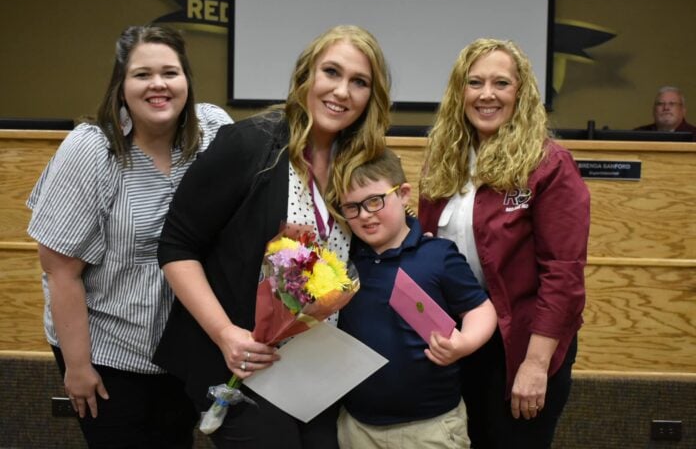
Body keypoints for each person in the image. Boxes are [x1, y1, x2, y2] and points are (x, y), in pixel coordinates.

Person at [151, 25, 392, 449]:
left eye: (359, 82)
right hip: (239, 363)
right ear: (306, 77)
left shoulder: (358, 164)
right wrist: (225, 333)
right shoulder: (249, 144)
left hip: (313, 372)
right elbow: (177, 246)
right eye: (331, 72)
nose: (342, 91)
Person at [26, 25, 232, 448]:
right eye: (142, 75)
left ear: (187, 81)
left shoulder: (213, 130)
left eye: (170, 73)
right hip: (107, 353)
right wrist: (78, 368)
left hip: (181, 350)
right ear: (121, 86)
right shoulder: (91, 151)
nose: (158, 84)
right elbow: (60, 272)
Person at [418, 38, 590, 449]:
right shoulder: (444, 161)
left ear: (520, 92)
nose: (487, 94)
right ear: (460, 92)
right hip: (459, 339)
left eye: (501, 83)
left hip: (522, 343)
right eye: (475, 82)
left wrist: (535, 365)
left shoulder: (548, 165)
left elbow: (563, 275)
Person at [335, 148, 497, 449]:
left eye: (375, 201)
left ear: (404, 194)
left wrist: (464, 343)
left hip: (430, 427)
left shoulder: (437, 255)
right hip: (357, 425)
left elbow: (480, 308)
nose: (365, 215)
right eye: (352, 207)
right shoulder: (343, 260)